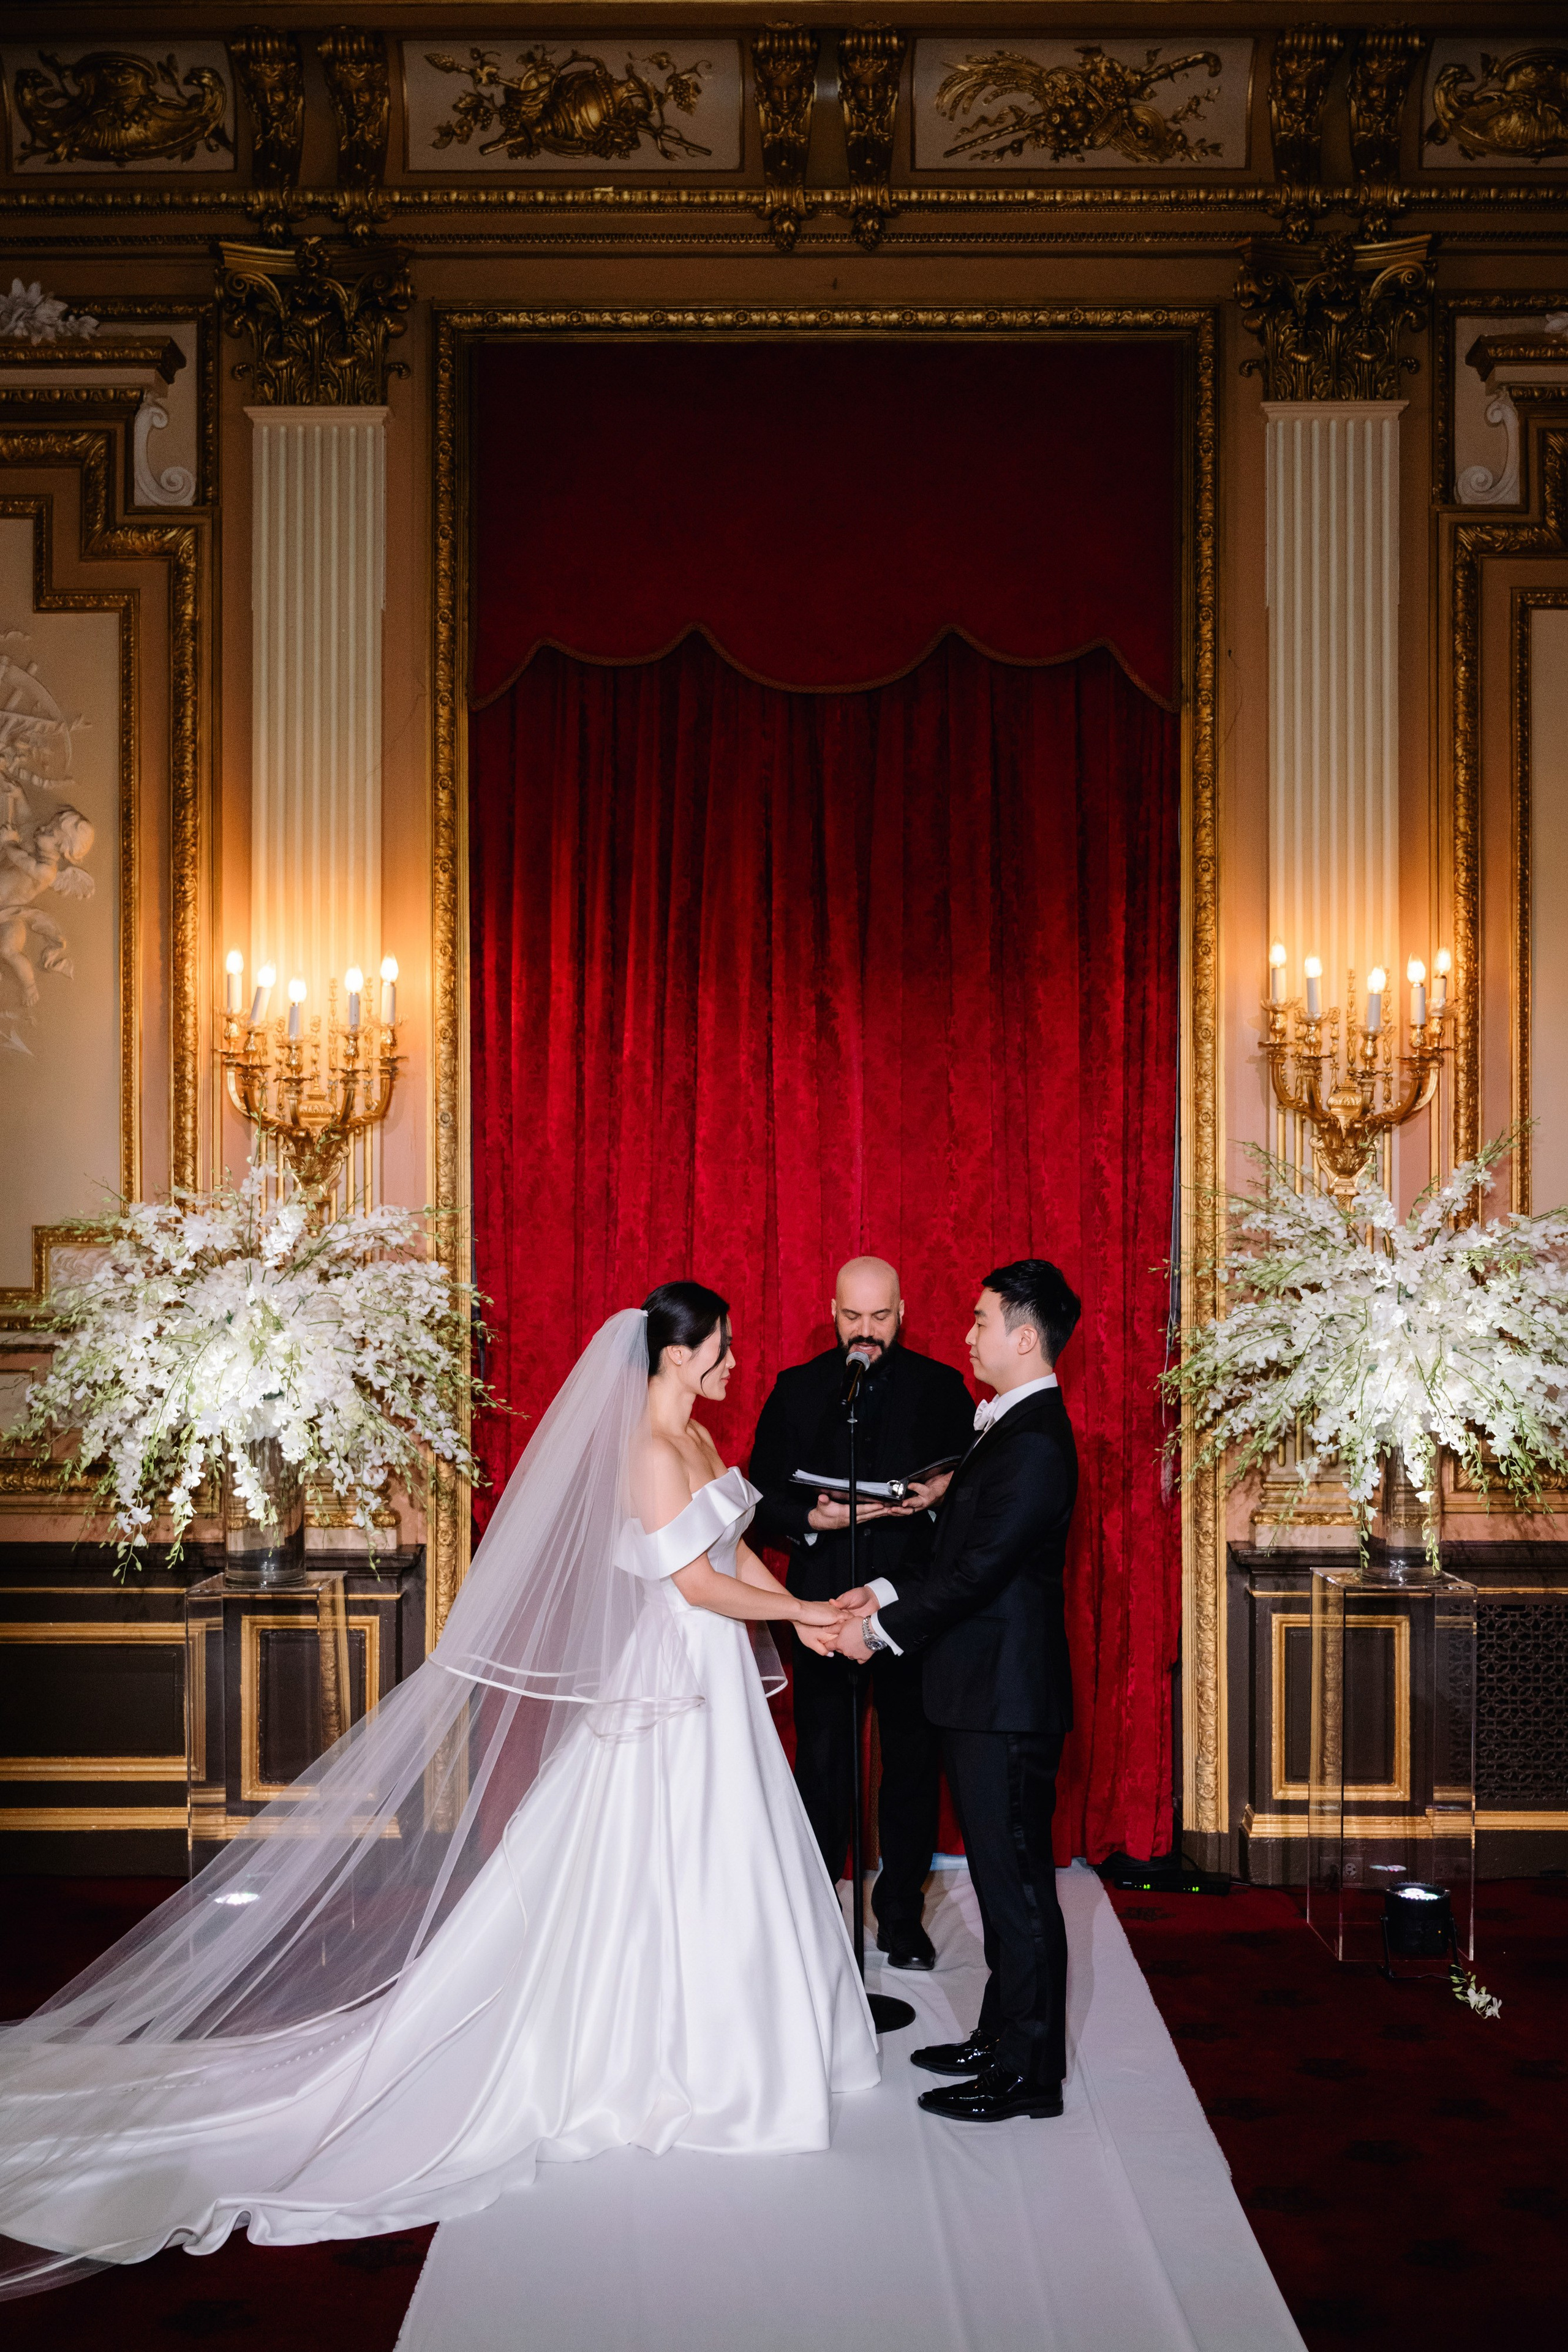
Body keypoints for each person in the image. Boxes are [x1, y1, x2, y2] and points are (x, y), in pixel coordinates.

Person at [0, 1286, 878, 2299]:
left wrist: (803, 1616)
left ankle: (741, 2040)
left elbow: (726, 1561)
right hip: (672, 1683)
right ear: (678, 1356)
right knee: (662, 1861)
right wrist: (805, 1608)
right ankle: (676, 2062)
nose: (734, 1361)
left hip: (712, 1677)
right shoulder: (646, 1451)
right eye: (723, 1348)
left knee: (727, 1857)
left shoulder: (704, 1441)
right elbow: (686, 1588)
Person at [833, 1259, 1080, 2123]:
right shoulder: (1009, 1429)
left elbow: (978, 1574)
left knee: (1015, 1891)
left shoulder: (1038, 1440)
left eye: (980, 1320)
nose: (967, 1333)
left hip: (1005, 1701)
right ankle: (999, 2038)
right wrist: (885, 1595)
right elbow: (955, 1561)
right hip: (981, 1693)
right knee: (999, 1877)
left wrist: (876, 1630)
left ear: (1023, 1336)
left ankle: (1030, 2074)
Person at [748, 1257, 974, 1970]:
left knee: (910, 1763)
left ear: (901, 1313)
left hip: (910, 1601)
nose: (866, 1333)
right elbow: (760, 1495)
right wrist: (811, 1519)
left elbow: (972, 1492)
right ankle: (819, 1914)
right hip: (820, 1603)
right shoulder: (797, 1388)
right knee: (822, 1761)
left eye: (880, 1318)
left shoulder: (941, 1388)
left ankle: (901, 1917)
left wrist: (936, 1495)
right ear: (833, 1310)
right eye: (853, 1318)